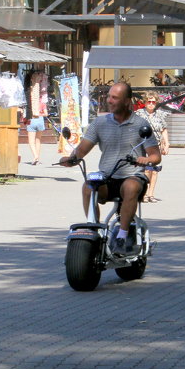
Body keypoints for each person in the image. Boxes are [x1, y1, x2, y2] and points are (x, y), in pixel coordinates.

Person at [59, 81, 161, 256]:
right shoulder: (100, 123)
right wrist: (71, 159)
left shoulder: (140, 124)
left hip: (133, 176)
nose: (109, 101)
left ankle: (122, 236)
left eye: (115, 98)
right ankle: (94, 230)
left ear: (127, 101)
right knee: (89, 186)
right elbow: (82, 149)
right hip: (107, 177)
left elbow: (156, 156)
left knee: (130, 186)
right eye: (108, 96)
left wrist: (145, 159)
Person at [138, 93, 170, 202]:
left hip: (156, 145)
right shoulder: (139, 114)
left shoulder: (160, 114)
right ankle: (144, 194)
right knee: (146, 170)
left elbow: (164, 129)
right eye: (149, 102)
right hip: (143, 144)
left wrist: (166, 144)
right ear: (145, 102)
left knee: (155, 170)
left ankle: (151, 194)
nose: (151, 104)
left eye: (153, 102)